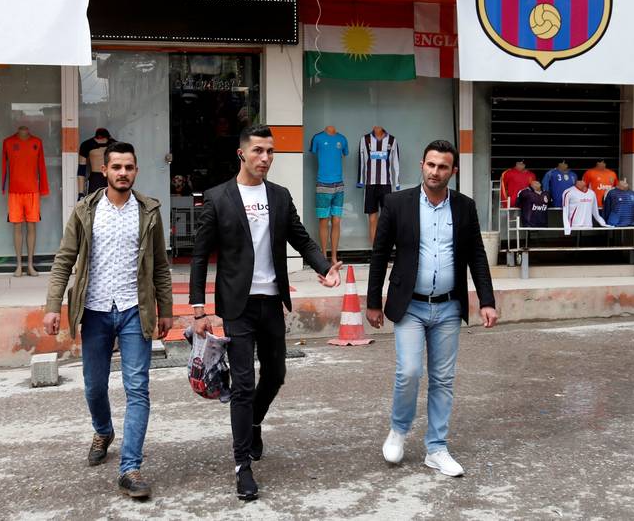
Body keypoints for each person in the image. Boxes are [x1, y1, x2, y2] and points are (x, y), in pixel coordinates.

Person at [191, 124, 343, 501]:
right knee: (242, 385)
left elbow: (301, 237)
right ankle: (242, 465)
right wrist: (199, 308)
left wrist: (324, 268)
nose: (265, 158)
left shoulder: (279, 195)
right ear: (242, 153)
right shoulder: (218, 197)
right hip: (237, 306)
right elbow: (199, 255)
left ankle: (254, 422)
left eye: (270, 151)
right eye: (258, 150)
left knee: (275, 374)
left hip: (272, 301)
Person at [43, 141, 173, 499]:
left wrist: (167, 309)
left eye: (129, 167)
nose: (123, 173)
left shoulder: (149, 211)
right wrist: (53, 305)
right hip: (96, 311)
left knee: (137, 389)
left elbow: (160, 266)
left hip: (135, 309)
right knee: (94, 387)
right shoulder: (85, 210)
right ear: (105, 171)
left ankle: (130, 467)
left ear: (136, 170)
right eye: (117, 167)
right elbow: (64, 260)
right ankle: (103, 430)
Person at [366, 140, 497, 477]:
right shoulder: (397, 203)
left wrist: (487, 301)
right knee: (409, 372)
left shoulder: (465, 207)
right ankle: (398, 430)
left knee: (443, 379)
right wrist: (372, 303)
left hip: (449, 307)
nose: (435, 172)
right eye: (431, 165)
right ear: (421, 165)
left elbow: (477, 256)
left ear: (453, 171)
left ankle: (436, 448)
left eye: (443, 167)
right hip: (409, 306)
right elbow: (380, 253)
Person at [1, 125, 50, 276]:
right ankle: (18, 265)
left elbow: (41, 167)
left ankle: (30, 264)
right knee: (17, 227)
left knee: (31, 227)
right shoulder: (8, 142)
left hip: (32, 192)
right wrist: (3, 186)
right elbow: (4, 166)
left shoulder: (37, 142)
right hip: (15, 192)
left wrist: (43, 189)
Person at [309, 125, 350, 265]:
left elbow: (345, 153)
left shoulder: (342, 139)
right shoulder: (318, 138)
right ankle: (323, 257)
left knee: (337, 221)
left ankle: (334, 257)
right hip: (323, 184)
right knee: (324, 221)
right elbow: (313, 152)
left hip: (339, 185)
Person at [78, 128, 115, 199]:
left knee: (113, 203)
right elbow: (81, 170)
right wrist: (80, 193)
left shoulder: (115, 145)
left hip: (111, 176)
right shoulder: (86, 145)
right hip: (95, 178)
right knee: (94, 203)